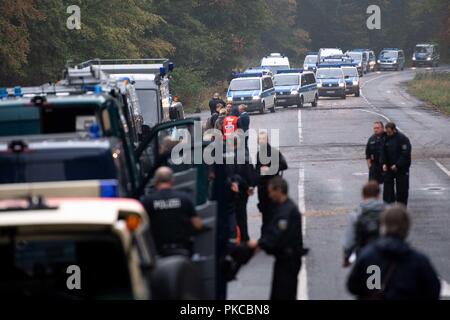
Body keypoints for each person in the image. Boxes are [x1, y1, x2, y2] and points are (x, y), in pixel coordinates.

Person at [347, 205, 441, 300]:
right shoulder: (418, 261)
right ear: (407, 228)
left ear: (383, 226)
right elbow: (433, 290)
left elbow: (352, 286)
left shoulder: (367, 255)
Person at [249, 177, 307, 300]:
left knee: (284, 294)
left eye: (271, 192)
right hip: (283, 259)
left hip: (289, 260)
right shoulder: (281, 208)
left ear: (279, 190)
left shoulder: (286, 211)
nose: (269, 195)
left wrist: (258, 244)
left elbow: (276, 234)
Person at [141, 167, 203, 257]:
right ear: (172, 180)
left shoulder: (147, 201)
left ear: (155, 181)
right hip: (182, 251)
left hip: (158, 253)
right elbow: (198, 224)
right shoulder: (184, 199)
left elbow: (142, 228)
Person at [343, 181, 387, 268]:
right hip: (385, 253)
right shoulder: (388, 210)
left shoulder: (356, 213)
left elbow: (349, 239)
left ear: (363, 196)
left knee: (354, 280)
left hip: (364, 254)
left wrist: (347, 257)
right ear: (378, 195)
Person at [225, 138, 257, 242]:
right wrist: (250, 186)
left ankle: (235, 238)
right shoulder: (244, 154)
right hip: (243, 190)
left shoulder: (226, 156)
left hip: (233, 189)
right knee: (242, 215)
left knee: (233, 215)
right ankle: (244, 237)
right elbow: (250, 171)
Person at [256, 132, 288, 235]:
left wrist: (270, 169)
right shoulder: (258, 154)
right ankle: (266, 237)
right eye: (260, 139)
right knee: (265, 215)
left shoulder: (274, 152)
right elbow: (257, 171)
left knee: (275, 213)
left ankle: (276, 236)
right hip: (262, 190)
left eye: (263, 139)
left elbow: (284, 165)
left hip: (273, 188)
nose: (261, 141)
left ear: (267, 140)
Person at [381, 122, 412, 206]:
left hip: (401, 168)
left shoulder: (402, 139)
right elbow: (383, 151)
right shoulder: (385, 137)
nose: (388, 134)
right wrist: (383, 163)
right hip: (389, 167)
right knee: (388, 190)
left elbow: (405, 154)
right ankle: (389, 209)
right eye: (387, 132)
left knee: (402, 191)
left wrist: (397, 165)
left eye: (389, 132)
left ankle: (401, 210)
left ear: (394, 130)